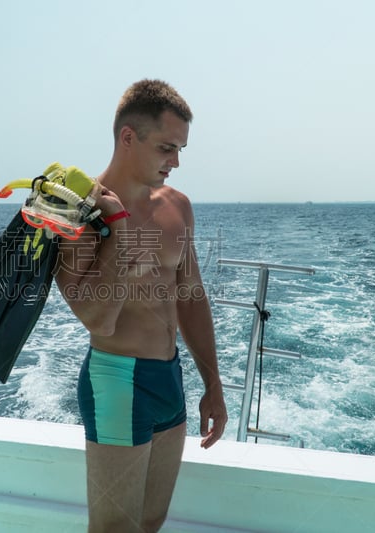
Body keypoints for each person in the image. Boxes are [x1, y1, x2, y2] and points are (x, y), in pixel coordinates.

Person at [55, 79, 227, 532]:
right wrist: (116, 226)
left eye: (181, 150)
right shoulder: (79, 214)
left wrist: (213, 383)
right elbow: (97, 318)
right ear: (129, 138)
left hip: (169, 379)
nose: (175, 162)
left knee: (150, 522)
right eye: (167, 148)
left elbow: (190, 297)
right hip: (117, 380)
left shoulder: (178, 207)